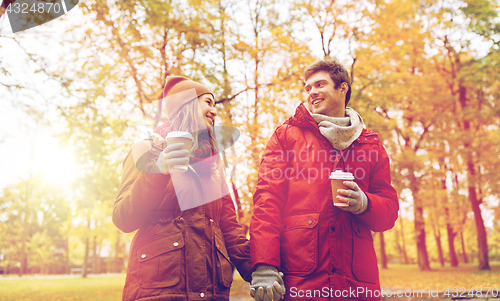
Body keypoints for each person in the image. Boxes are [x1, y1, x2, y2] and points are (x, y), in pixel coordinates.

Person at [249, 59, 399, 301]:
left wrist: (365, 203)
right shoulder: (286, 136)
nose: (312, 93)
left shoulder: (371, 144)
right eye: (307, 88)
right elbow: (267, 200)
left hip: (357, 283)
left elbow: (389, 212)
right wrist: (264, 265)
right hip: (303, 279)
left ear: (343, 89)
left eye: (320, 85)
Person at [114, 76, 252, 301]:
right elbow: (124, 218)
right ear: (186, 105)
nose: (214, 111)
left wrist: (258, 271)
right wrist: (159, 171)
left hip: (212, 292)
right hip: (160, 291)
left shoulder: (214, 164)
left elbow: (229, 227)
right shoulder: (147, 150)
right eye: (208, 102)